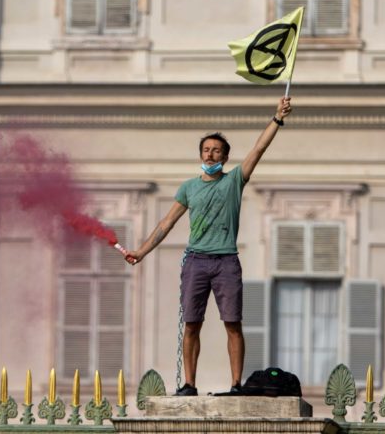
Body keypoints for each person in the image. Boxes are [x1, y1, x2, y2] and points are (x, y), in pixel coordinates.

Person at [122, 96, 292, 396]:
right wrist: (141, 251)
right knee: (191, 324)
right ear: (201, 154)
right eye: (206, 150)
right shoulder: (189, 187)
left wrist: (277, 118)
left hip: (226, 261)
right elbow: (166, 223)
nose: (210, 154)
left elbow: (259, 149)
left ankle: (236, 384)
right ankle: (189, 384)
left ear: (225, 157)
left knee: (233, 323)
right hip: (196, 261)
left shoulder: (234, 181)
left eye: (216, 151)